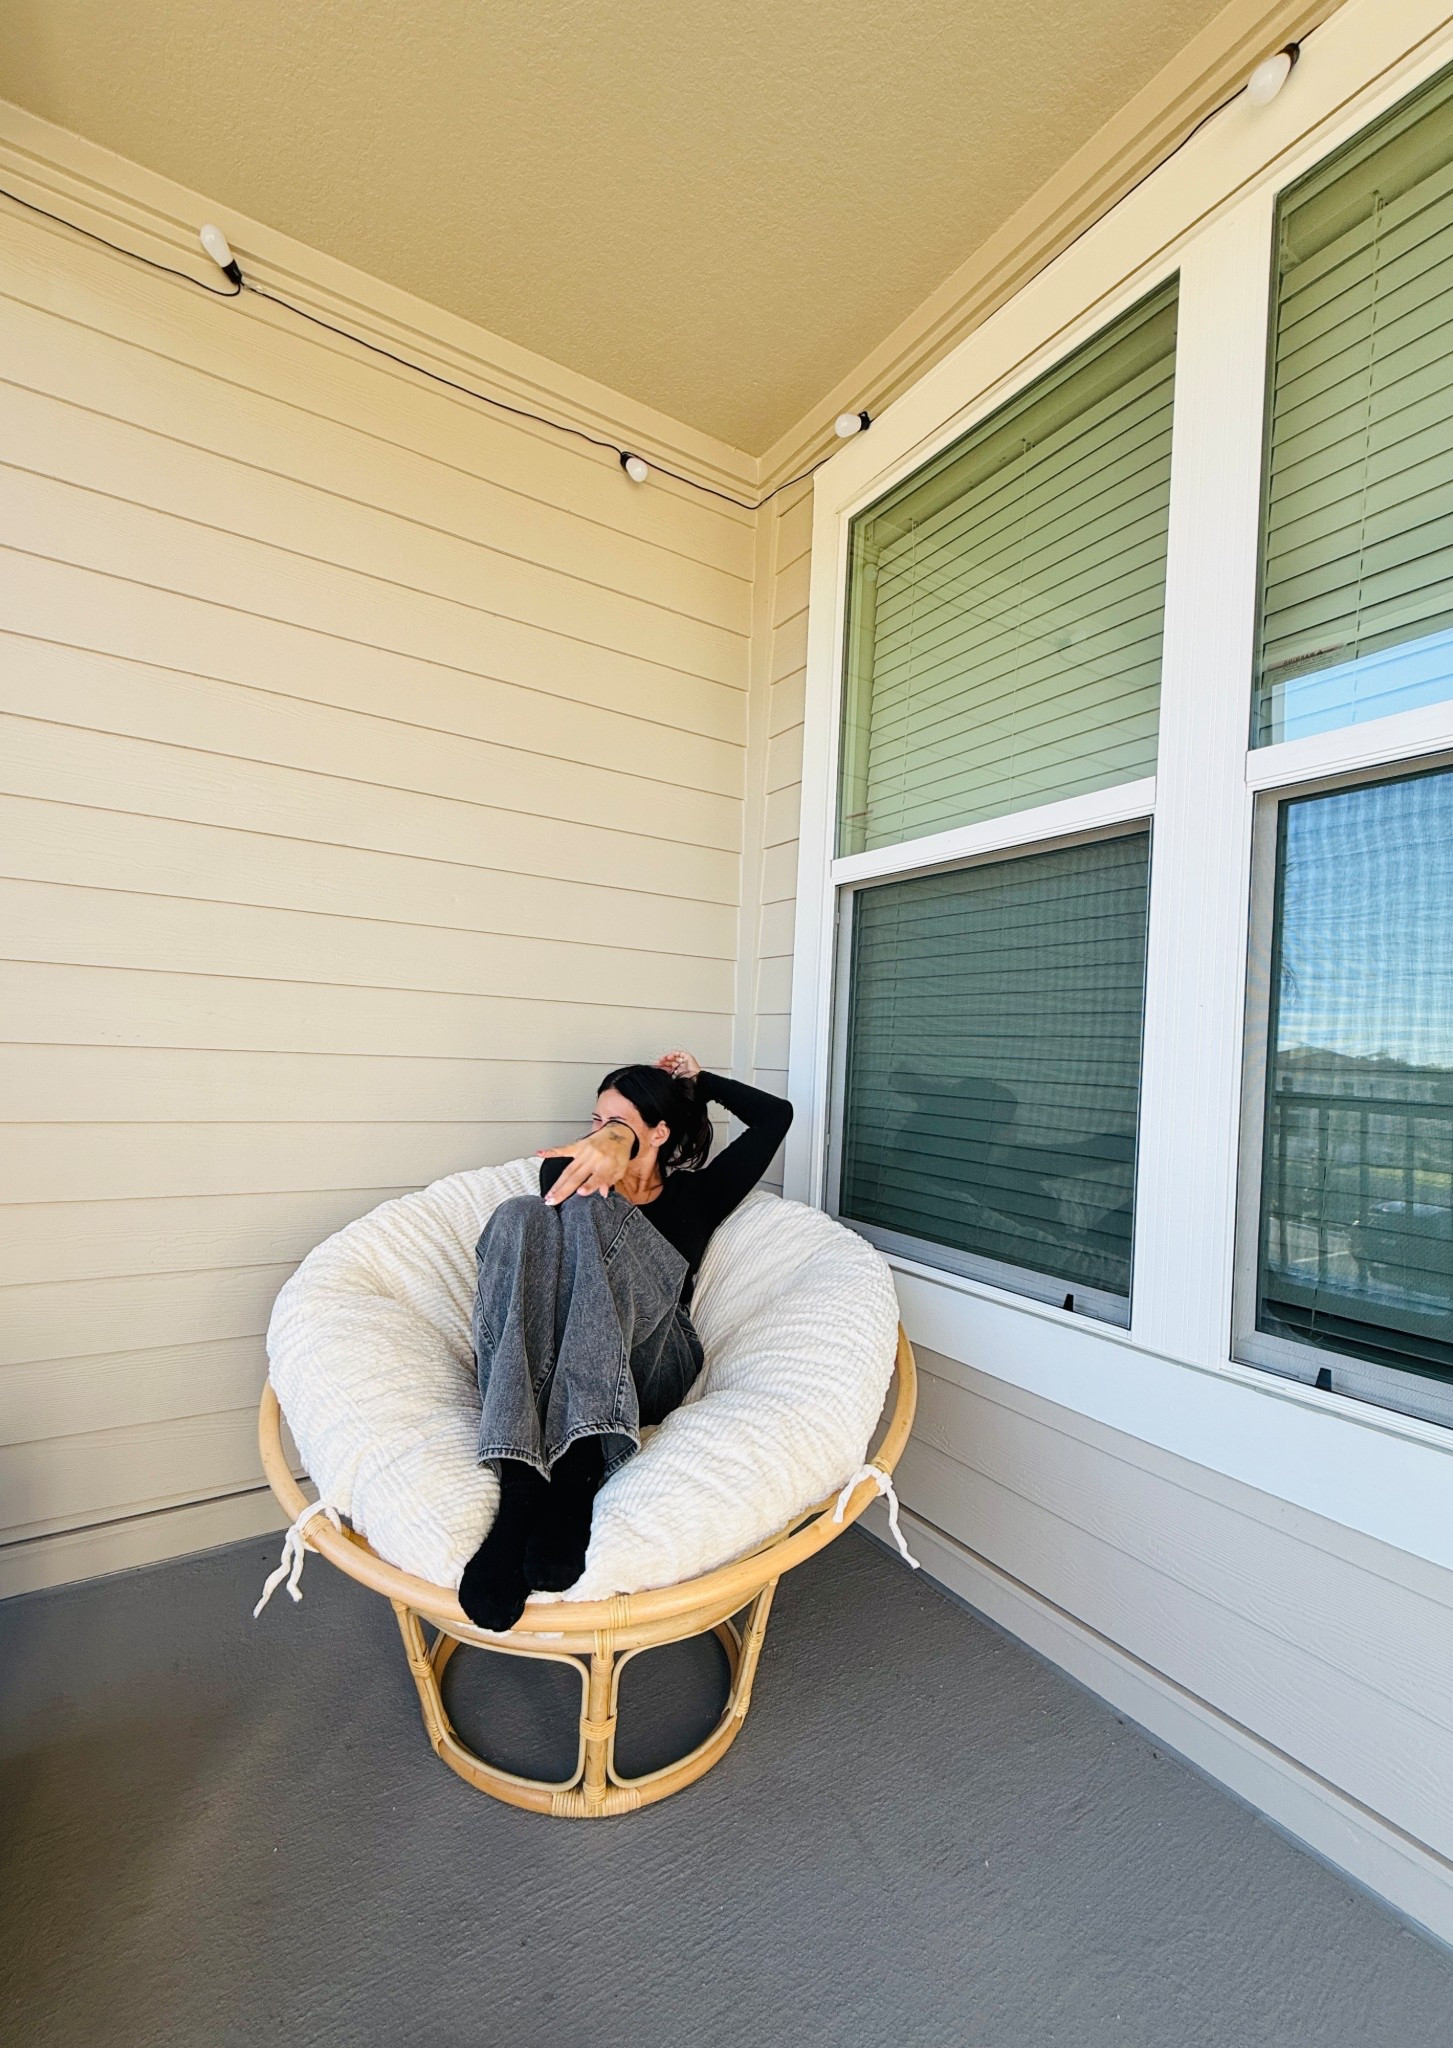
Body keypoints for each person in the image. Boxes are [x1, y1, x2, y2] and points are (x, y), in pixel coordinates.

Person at [458, 1050, 793, 1630]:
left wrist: (700, 1082)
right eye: (595, 1122)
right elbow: (546, 1288)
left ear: (659, 1132)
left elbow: (775, 1118)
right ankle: (521, 1489)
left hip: (654, 1361)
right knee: (521, 1215)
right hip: (566, 1363)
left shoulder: (699, 1194)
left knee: (588, 1213)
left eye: (616, 1124)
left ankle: (576, 1475)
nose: (599, 1135)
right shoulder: (567, 1175)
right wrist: (609, 1147)